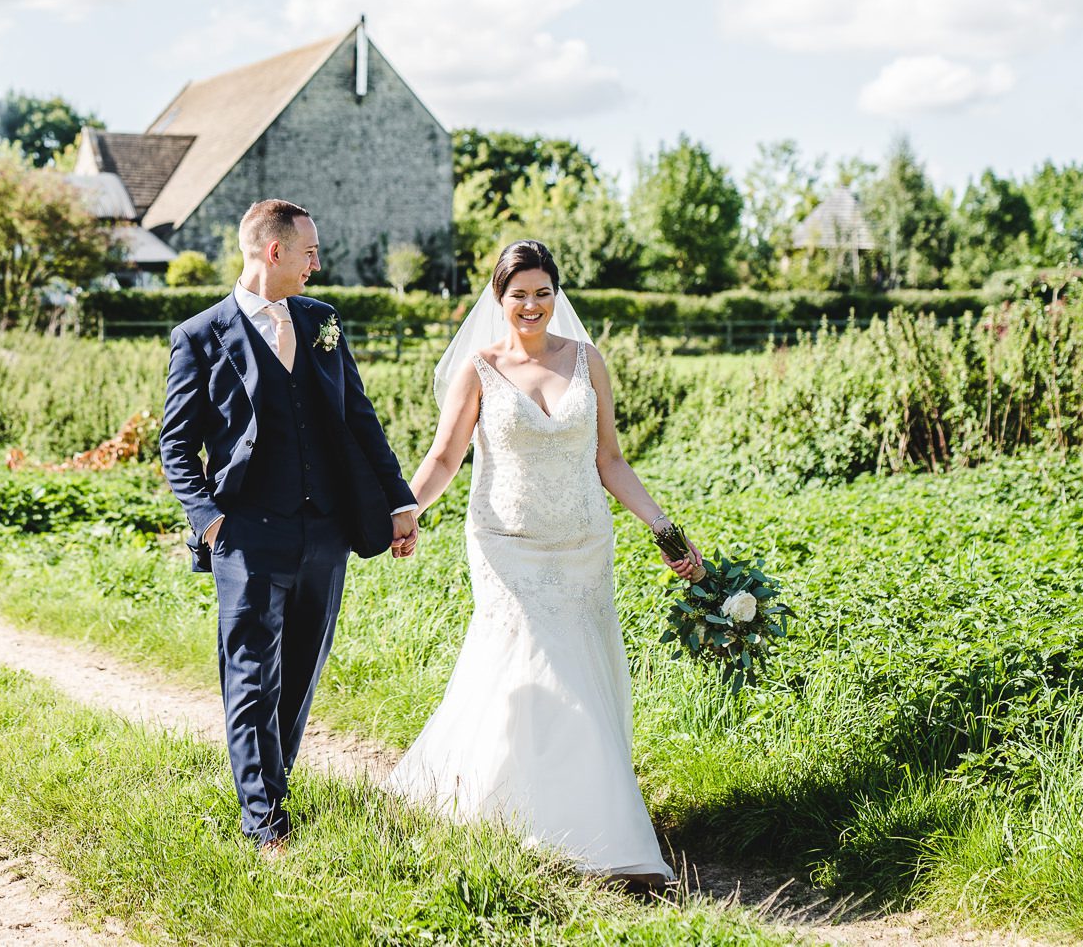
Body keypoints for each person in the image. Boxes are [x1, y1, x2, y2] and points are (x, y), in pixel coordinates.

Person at [385, 239, 703, 886]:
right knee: (532, 669)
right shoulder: (480, 367)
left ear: (557, 294)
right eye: (518, 294)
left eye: (542, 291)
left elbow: (609, 458)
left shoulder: (588, 360)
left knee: (582, 674)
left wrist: (665, 529)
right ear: (498, 300)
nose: (531, 305)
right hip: (508, 542)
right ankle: (518, 817)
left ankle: (597, 829)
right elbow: (446, 457)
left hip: (584, 543)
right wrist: (407, 508)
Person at [160, 199, 420, 857]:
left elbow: (360, 418)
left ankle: (272, 786)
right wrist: (212, 523)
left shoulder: (322, 321)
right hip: (247, 535)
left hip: (326, 532)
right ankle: (263, 821)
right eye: (310, 250)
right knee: (251, 674)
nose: (318, 262)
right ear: (273, 251)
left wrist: (398, 501)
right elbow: (177, 444)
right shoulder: (199, 336)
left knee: (300, 673)